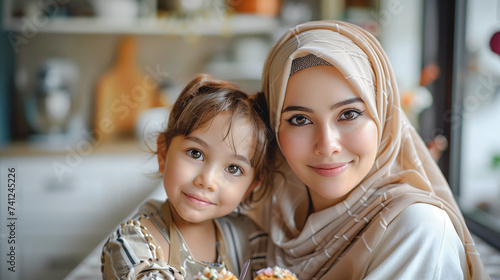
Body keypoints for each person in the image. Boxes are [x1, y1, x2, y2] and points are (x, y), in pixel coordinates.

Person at [254, 20, 489, 279]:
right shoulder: (265, 216)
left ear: (384, 117)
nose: (327, 145)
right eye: (300, 119)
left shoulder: (417, 229)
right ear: (274, 126)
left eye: (349, 114)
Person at [101, 74, 270, 280]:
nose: (207, 180)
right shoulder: (132, 246)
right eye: (195, 153)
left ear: (250, 187)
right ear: (163, 154)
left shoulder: (250, 240)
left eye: (233, 168)